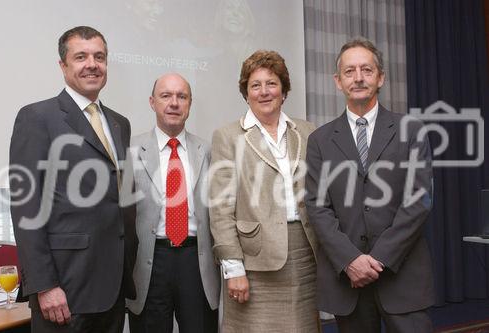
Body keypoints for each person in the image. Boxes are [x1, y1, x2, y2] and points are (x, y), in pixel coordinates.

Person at [9, 26, 136, 332]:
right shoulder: (37, 117)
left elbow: (122, 199)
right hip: (65, 289)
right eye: (81, 56)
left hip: (113, 288)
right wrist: (44, 285)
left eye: (99, 57)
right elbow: (26, 207)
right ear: (63, 65)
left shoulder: (120, 123)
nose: (92, 64)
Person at [305, 38, 435, 332]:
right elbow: (317, 206)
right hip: (348, 281)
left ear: (380, 78)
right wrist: (351, 260)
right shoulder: (320, 141)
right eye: (349, 71)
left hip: (403, 276)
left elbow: (419, 201)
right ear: (338, 82)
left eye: (367, 69)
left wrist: (377, 260)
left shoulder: (411, 130)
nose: (359, 77)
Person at [209, 50, 320, 332]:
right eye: (255, 85)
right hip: (254, 262)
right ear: (246, 93)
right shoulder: (228, 136)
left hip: (304, 254)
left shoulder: (307, 132)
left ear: (284, 90)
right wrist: (233, 269)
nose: (264, 92)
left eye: (271, 83)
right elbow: (221, 209)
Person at [126, 73, 220, 333]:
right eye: (166, 95)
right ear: (152, 102)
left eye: (182, 96)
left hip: (197, 261)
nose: (174, 103)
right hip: (150, 261)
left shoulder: (209, 150)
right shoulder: (130, 151)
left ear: (190, 103)